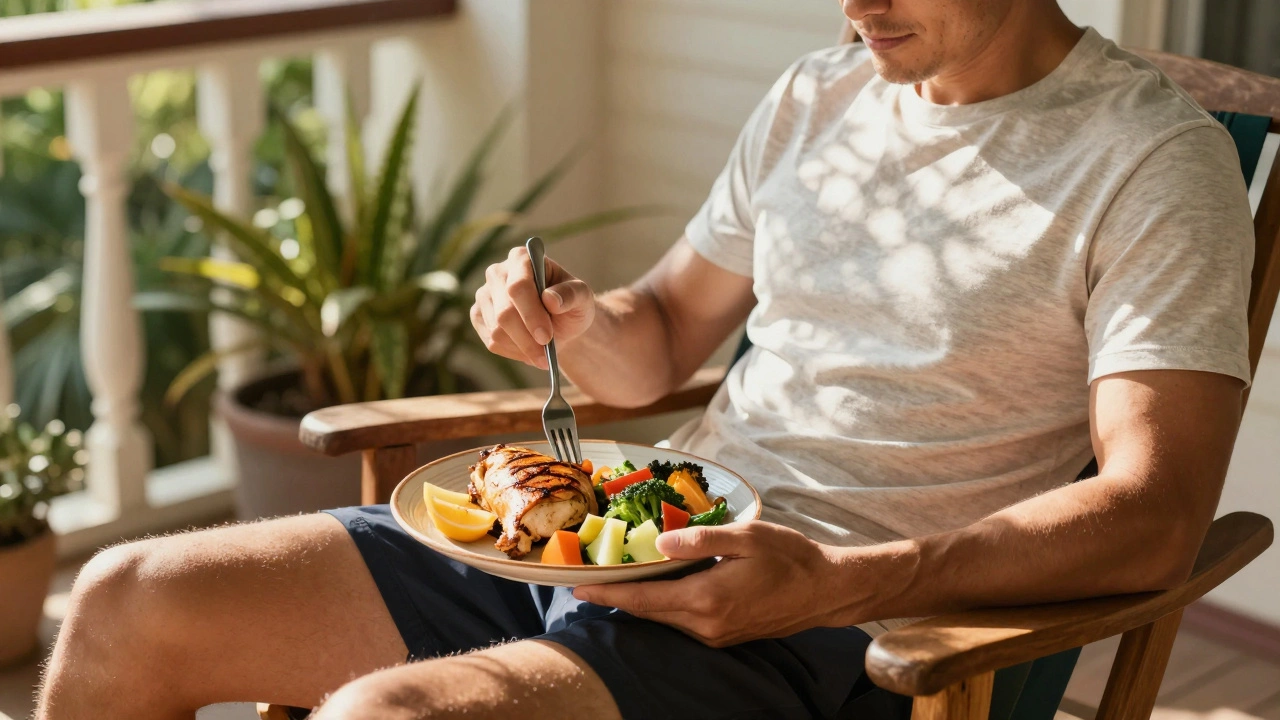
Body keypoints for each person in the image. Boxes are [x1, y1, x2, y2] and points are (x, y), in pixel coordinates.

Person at [36, 0, 1256, 718]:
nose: (853, 6)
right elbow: (658, 338)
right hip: (619, 533)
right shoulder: (817, 97)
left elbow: (1152, 514)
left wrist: (838, 582)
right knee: (123, 602)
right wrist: (570, 317)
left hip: (837, 624)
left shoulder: (1151, 162)